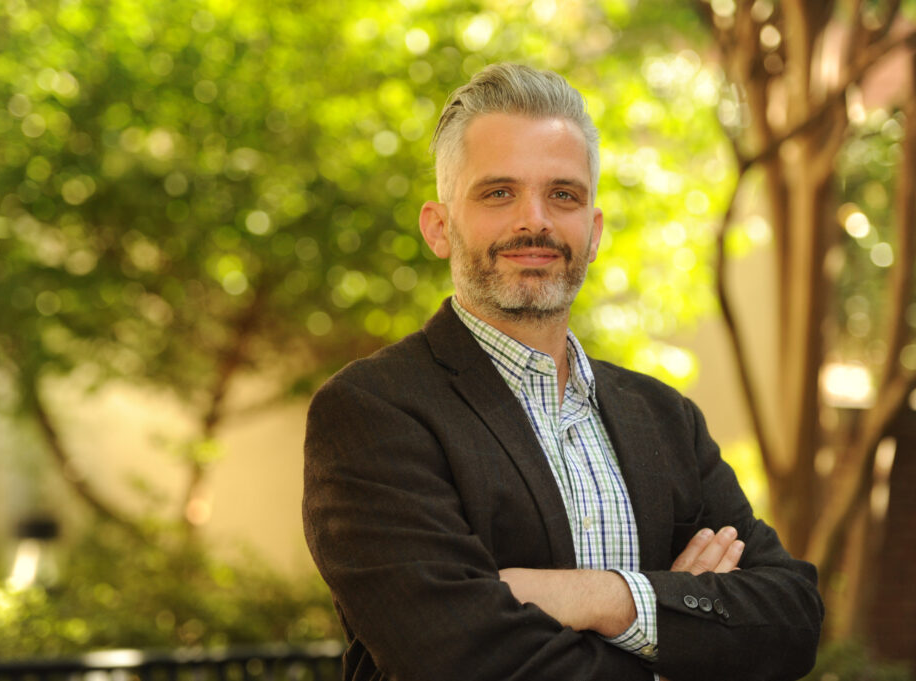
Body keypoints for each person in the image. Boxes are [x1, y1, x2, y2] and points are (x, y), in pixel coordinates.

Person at [302, 62, 823, 681]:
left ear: (594, 231)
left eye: (564, 195)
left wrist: (601, 597)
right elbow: (456, 659)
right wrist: (678, 624)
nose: (536, 221)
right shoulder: (372, 411)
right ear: (439, 228)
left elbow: (791, 620)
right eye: (498, 193)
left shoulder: (665, 418)